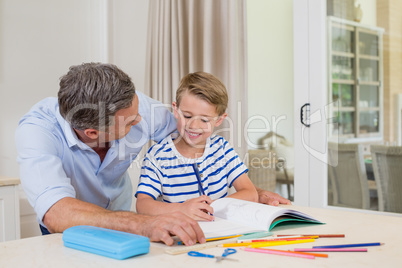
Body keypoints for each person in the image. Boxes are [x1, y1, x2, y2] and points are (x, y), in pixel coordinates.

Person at [15, 63, 289, 246]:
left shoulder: (136, 108)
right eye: (131, 123)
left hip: (128, 220)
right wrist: (145, 223)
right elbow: (57, 212)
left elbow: (192, 136)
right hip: (73, 228)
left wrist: (247, 191)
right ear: (92, 134)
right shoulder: (38, 132)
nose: (141, 121)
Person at [135, 72, 280, 221]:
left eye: (204, 120)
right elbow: (143, 205)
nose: (194, 126)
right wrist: (181, 209)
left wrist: (212, 207)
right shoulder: (157, 155)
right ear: (176, 110)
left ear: (219, 120)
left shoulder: (222, 149)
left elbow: (249, 192)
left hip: (221, 233)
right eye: (187, 116)